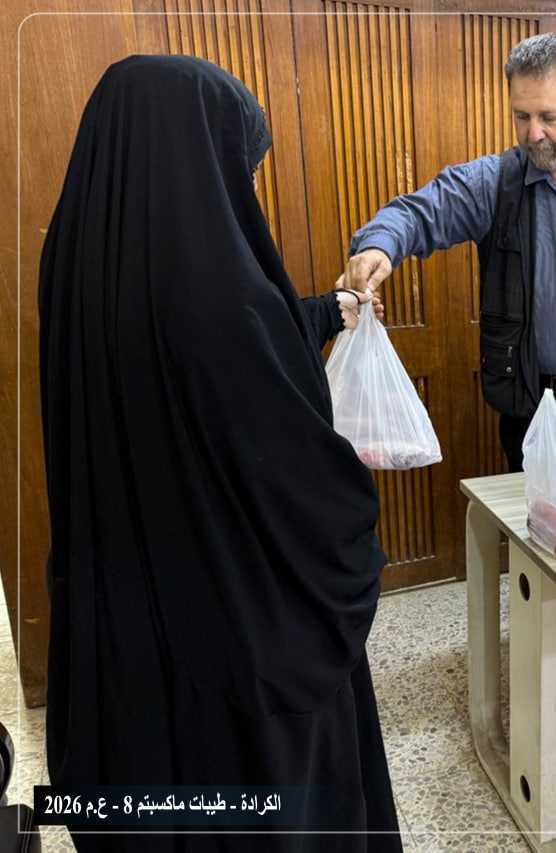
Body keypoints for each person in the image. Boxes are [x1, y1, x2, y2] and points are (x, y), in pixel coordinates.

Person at [38, 55, 401, 851]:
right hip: (238, 635)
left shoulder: (77, 257)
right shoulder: (221, 292)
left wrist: (318, 315)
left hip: (130, 614)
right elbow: (291, 468)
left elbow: (185, 371)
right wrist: (353, 529)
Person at [337, 33, 556, 471]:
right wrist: (378, 246)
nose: (534, 133)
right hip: (530, 404)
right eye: (521, 116)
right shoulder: (495, 184)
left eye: (549, 116)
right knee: (539, 530)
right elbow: (419, 211)